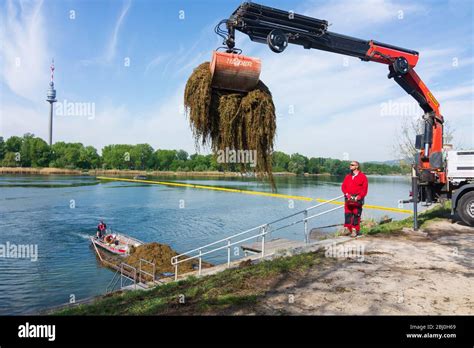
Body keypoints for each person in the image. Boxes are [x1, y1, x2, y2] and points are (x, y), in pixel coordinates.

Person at [341, 161, 368, 237]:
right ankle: (347, 230)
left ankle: (354, 230)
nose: (350, 166)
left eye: (352, 165)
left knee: (356, 215)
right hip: (348, 200)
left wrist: (359, 197)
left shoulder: (363, 177)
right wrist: (346, 194)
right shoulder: (348, 176)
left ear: (357, 166)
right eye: (350, 165)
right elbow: (343, 187)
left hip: (357, 200)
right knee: (347, 214)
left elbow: (364, 189)